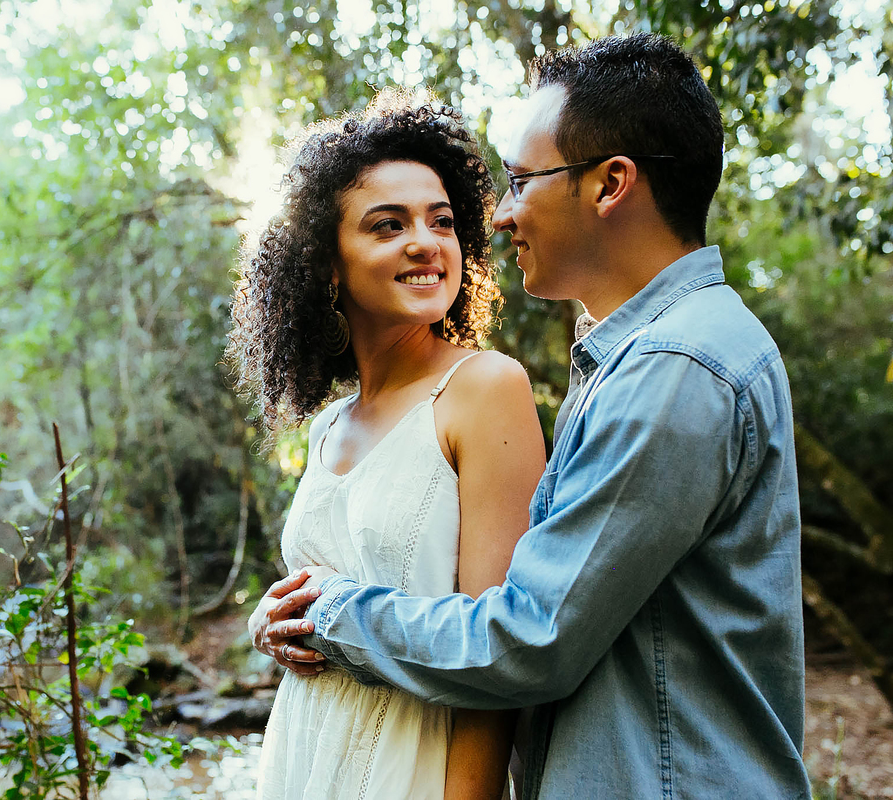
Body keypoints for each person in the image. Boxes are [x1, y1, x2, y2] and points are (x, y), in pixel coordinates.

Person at [250, 34, 813, 799]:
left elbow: (531, 638)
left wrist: (332, 617)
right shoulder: (635, 359)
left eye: (520, 181)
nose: (503, 217)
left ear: (611, 184)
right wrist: (291, 618)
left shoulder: (677, 368)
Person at [229, 89, 546, 799]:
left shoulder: (485, 388)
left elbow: (494, 660)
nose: (425, 242)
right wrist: (270, 623)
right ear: (328, 265)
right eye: (387, 224)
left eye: (441, 222)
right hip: (305, 752)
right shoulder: (327, 426)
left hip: (413, 767)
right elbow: (326, 586)